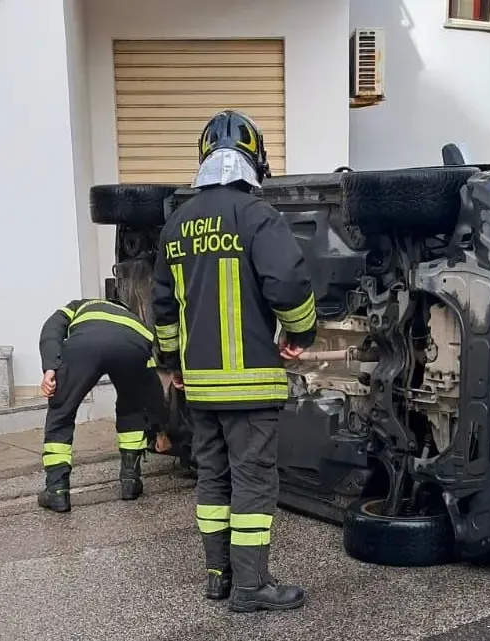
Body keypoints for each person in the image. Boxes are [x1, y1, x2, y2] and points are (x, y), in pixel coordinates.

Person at [152, 109, 317, 612]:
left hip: (200, 388)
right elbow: (287, 283)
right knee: (252, 481)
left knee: (213, 476)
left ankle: (217, 576)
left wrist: (172, 362)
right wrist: (300, 332)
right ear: (254, 159)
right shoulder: (257, 215)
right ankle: (251, 586)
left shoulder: (177, 225)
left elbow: (164, 308)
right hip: (250, 385)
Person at [37, 297, 169, 513]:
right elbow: (152, 389)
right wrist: (162, 429)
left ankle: (57, 491)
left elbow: (52, 329)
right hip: (132, 349)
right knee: (133, 407)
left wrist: (50, 367)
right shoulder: (136, 323)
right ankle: (130, 482)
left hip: (84, 346)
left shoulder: (78, 306)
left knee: (61, 414)